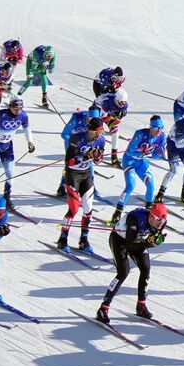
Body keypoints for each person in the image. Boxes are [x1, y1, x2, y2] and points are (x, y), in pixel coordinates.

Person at [96, 203, 170, 323]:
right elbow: (130, 244)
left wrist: (155, 240)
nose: (160, 223)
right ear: (151, 216)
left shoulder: (161, 222)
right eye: (158, 219)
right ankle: (103, 308)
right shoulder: (135, 219)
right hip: (120, 240)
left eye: (163, 219)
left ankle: (141, 305)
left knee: (146, 268)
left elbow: (152, 237)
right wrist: (149, 243)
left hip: (138, 241)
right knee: (123, 272)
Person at [58, 117, 106, 253]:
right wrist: (84, 156)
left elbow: (99, 160)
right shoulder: (77, 139)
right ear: (89, 130)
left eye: (100, 132)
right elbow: (69, 162)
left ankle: (84, 240)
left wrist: (97, 158)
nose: (98, 135)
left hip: (86, 175)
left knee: (88, 208)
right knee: (73, 209)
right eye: (96, 132)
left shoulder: (101, 140)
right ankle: (63, 238)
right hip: (73, 175)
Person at [110, 115, 167, 225]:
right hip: (129, 161)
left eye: (161, 128)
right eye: (156, 128)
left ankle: (149, 212)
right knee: (131, 186)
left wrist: (160, 153)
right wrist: (142, 152)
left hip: (141, 162)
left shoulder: (161, 136)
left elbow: (155, 156)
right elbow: (130, 151)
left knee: (150, 184)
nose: (159, 131)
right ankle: (117, 212)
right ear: (151, 127)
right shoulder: (140, 134)